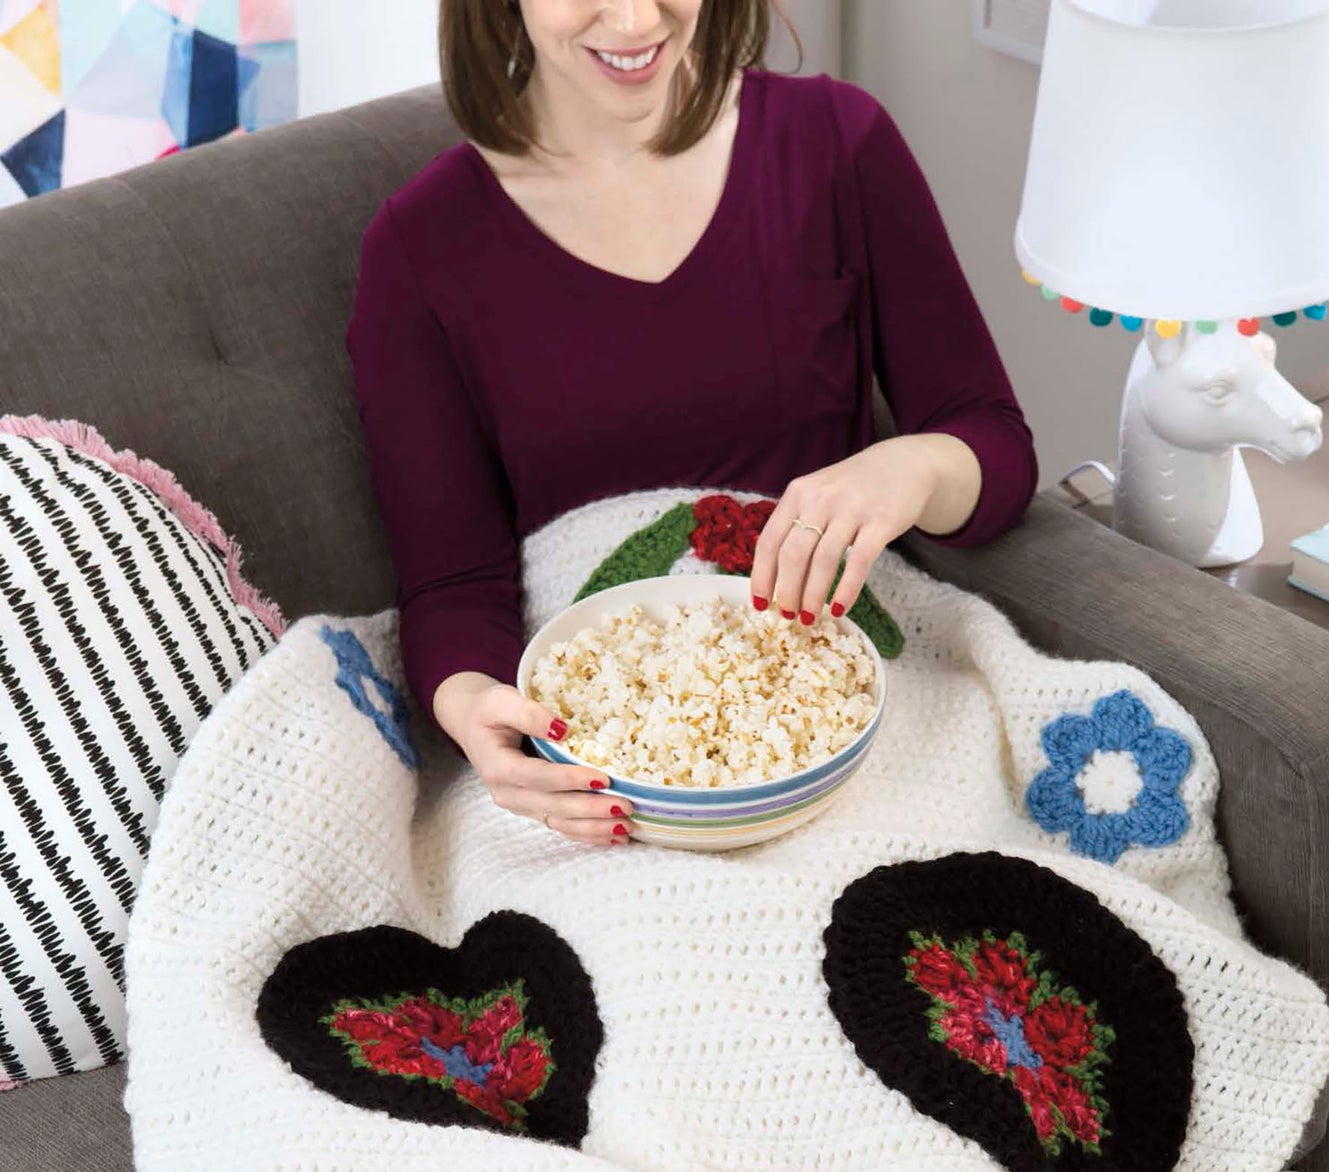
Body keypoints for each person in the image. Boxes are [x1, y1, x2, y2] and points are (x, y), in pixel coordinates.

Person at [346, 0, 1038, 845]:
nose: (637, 19)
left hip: (845, 709)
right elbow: (452, 583)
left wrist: (909, 468)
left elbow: (990, 439)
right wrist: (476, 714)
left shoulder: (836, 141)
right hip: (612, 762)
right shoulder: (420, 248)